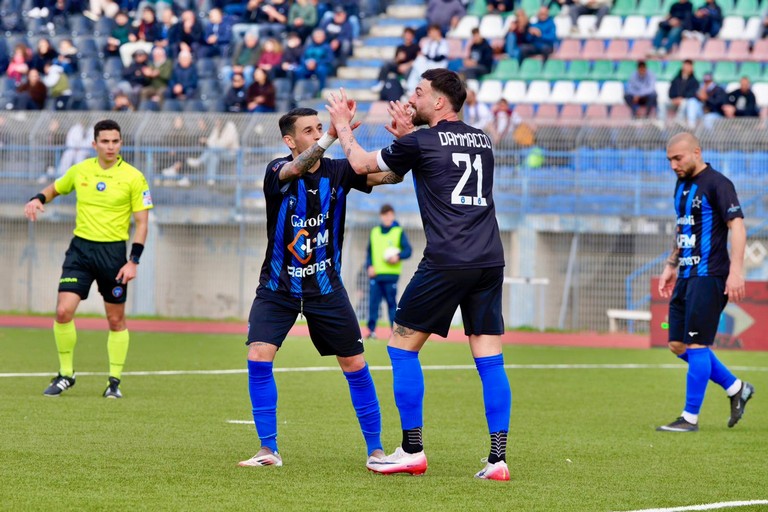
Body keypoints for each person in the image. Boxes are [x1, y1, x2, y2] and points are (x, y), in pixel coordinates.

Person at [326, 69, 511, 481]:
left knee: (401, 347)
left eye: (420, 92)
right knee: (489, 358)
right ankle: (498, 460)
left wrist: (341, 124)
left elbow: (359, 163)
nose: (414, 98)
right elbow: (433, 160)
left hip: (447, 259)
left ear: (441, 102)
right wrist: (406, 137)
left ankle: (412, 450)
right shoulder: (482, 140)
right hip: (489, 259)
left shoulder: (424, 140)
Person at [238, 107, 404, 469]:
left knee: (354, 364)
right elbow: (295, 168)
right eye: (309, 131)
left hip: (326, 288)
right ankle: (268, 449)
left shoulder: (340, 171)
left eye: (319, 129)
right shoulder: (276, 171)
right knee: (258, 356)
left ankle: (376, 450)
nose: (316, 135)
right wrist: (333, 134)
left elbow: (390, 177)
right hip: (277, 287)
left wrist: (406, 143)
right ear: (289, 140)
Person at [23, 119, 153, 399]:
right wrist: (37, 199)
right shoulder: (80, 170)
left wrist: (134, 261)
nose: (110, 146)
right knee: (62, 312)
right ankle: (66, 374)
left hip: (113, 254)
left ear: (121, 143)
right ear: (94, 144)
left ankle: (114, 382)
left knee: (115, 319)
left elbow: (142, 223)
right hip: (80, 250)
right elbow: (56, 188)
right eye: (105, 141)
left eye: (115, 141)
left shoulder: (133, 177)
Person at [656, 132, 754, 433]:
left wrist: (736, 270)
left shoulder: (718, 184)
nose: (673, 164)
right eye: (670, 160)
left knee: (697, 344)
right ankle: (736, 387)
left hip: (709, 274)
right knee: (676, 344)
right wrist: (671, 263)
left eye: (678, 158)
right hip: (685, 274)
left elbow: (737, 225)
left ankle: (689, 418)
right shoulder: (682, 184)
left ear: (696, 152)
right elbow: (683, 226)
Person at [365, 204, 412, 340]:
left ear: (393, 216)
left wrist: (398, 256)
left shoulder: (398, 231)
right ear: (381, 216)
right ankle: (371, 331)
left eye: (389, 215)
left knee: (392, 304)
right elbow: (369, 252)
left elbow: (408, 250)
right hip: (376, 275)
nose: (387, 217)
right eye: (384, 215)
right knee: (373, 304)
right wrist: (369, 266)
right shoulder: (374, 232)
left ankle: (394, 332)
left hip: (391, 276)